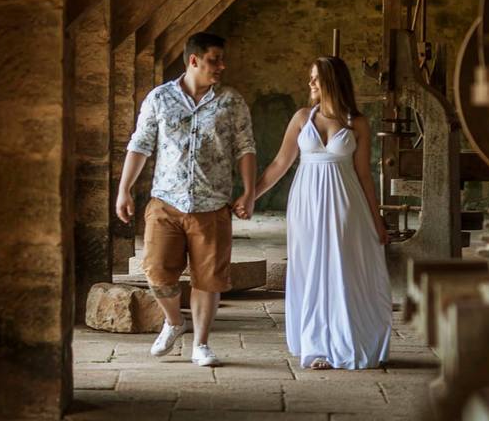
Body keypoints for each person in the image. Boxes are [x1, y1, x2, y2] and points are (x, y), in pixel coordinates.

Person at [116, 32, 257, 368]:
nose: (221, 67)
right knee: (157, 274)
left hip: (212, 205)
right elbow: (140, 145)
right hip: (166, 202)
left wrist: (249, 192)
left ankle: (201, 344)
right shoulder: (159, 98)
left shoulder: (232, 102)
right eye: (214, 60)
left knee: (208, 279)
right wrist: (123, 189)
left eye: (222, 60)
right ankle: (174, 322)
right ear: (193, 60)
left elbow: (246, 148)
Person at [252, 56, 392, 370]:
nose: (310, 84)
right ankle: (316, 344)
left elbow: (365, 175)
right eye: (311, 77)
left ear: (332, 81)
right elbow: (279, 164)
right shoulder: (302, 117)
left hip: (346, 202)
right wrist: (250, 197)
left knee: (341, 267)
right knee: (310, 267)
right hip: (306, 203)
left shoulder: (357, 123)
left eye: (316, 78)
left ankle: (343, 340)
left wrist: (377, 219)